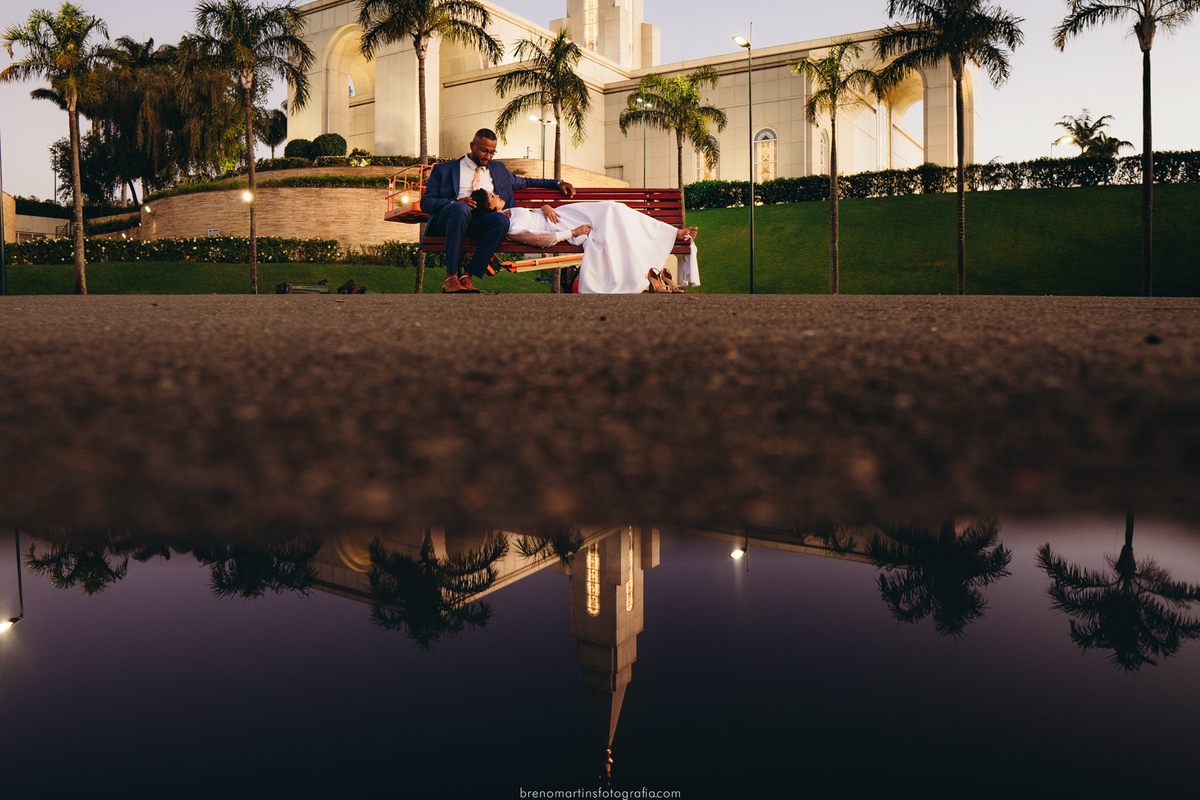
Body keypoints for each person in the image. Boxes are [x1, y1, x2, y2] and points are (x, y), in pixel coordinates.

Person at [421, 128, 575, 293]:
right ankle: (450, 278)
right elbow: (426, 203)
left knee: (501, 220)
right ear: (472, 145)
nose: (488, 157)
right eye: (484, 151)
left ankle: (468, 276)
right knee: (460, 209)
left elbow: (525, 182)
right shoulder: (444, 170)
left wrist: (557, 183)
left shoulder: (498, 170)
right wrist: (454, 201)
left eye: (492, 152)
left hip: (480, 223)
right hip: (450, 220)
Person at [470, 189, 700, 294]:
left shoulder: (508, 211)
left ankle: (672, 233)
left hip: (563, 213)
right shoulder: (507, 227)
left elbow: (532, 212)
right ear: (489, 208)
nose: (497, 195)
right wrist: (573, 232)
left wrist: (545, 206)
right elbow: (539, 240)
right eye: (492, 197)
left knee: (615, 209)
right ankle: (673, 234)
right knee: (612, 213)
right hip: (562, 225)